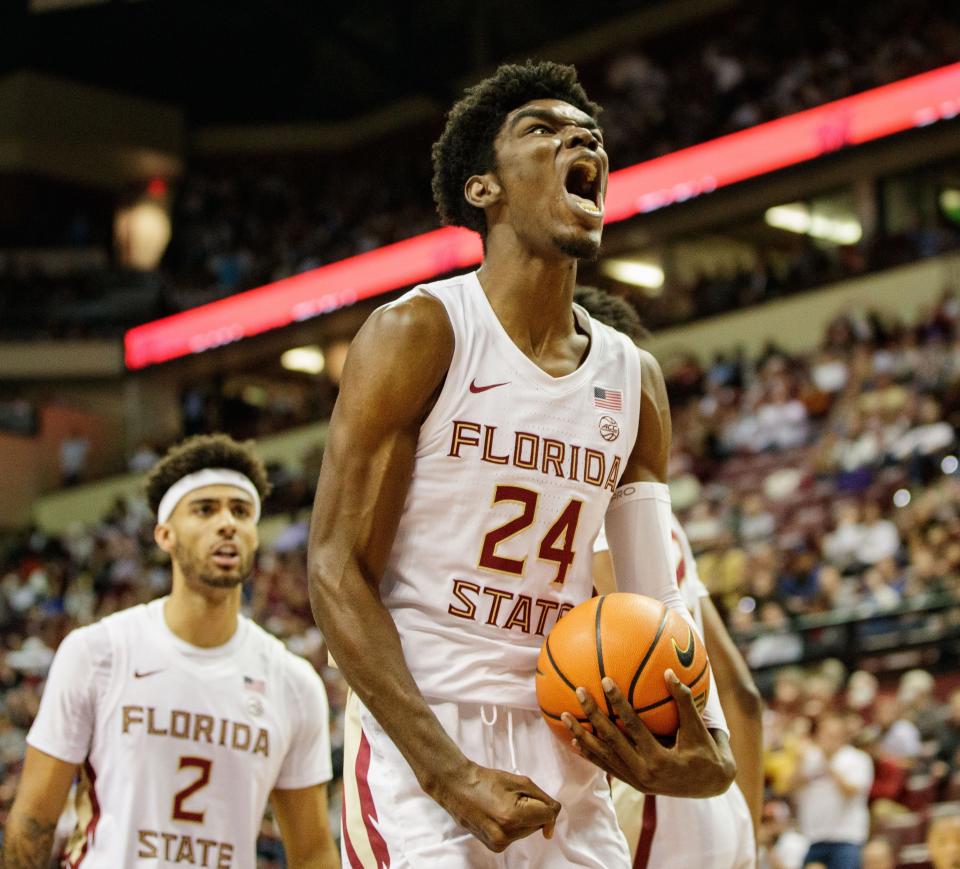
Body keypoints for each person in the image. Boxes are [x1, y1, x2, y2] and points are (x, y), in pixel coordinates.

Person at [308, 60, 735, 867]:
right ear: (483, 189)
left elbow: (653, 593)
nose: (581, 138)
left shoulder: (632, 377)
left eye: (590, 135)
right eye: (541, 129)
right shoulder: (422, 332)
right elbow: (334, 571)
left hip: (572, 740)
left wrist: (705, 733)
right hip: (423, 738)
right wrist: (448, 773)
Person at [2, 434, 339, 868]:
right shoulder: (97, 652)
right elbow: (32, 819)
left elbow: (312, 852)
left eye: (241, 511)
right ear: (164, 534)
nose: (227, 524)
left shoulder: (293, 683)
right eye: (205, 509)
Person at [577, 284, 761, 868]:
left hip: (654, 802)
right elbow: (745, 698)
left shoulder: (590, 505)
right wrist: (747, 835)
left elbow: (618, 671)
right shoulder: (664, 523)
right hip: (725, 811)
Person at [792, 712, 873, 869]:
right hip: (814, 837)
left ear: (843, 736)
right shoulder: (810, 758)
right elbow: (790, 787)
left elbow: (850, 791)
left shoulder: (857, 758)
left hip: (846, 837)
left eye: (832, 735)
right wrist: (798, 761)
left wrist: (829, 764)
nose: (827, 739)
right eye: (824, 733)